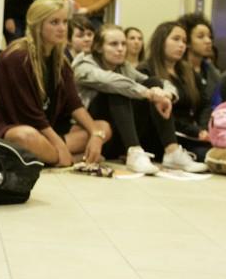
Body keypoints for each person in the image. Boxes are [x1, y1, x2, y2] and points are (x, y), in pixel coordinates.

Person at [0, 0, 111, 166]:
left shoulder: (61, 60)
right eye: (54, 22)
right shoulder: (16, 57)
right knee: (25, 136)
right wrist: (59, 146)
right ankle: (65, 158)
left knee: (103, 127)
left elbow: (74, 104)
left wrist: (96, 135)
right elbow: (29, 115)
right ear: (38, 25)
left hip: (46, 131)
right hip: (14, 128)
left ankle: (49, 155)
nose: (62, 28)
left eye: (65, 22)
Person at [73, 25, 204, 173]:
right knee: (119, 88)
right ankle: (134, 151)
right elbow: (110, 81)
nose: (121, 49)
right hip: (96, 130)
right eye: (113, 44)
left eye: (123, 44)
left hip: (119, 132)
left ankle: (172, 152)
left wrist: (166, 95)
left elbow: (161, 83)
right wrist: (147, 93)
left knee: (153, 82)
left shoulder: (123, 66)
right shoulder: (83, 65)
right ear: (98, 47)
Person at [138, 21, 214, 162]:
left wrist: (203, 128)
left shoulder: (187, 70)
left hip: (189, 132)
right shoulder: (146, 70)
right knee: (204, 153)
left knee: (214, 146)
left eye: (184, 41)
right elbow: (160, 114)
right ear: (161, 41)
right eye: (176, 39)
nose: (181, 45)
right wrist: (195, 131)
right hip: (161, 135)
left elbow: (205, 103)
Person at [179, 12, 222, 110]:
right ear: (187, 42)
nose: (208, 41)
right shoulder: (176, 70)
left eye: (209, 36)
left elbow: (217, 104)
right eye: (201, 36)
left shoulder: (214, 73)